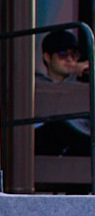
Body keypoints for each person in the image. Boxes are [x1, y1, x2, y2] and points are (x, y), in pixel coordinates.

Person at [33, 26, 92, 159]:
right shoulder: (35, 86)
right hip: (45, 149)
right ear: (47, 57)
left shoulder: (82, 87)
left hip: (80, 150)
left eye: (74, 55)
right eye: (63, 54)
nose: (70, 59)